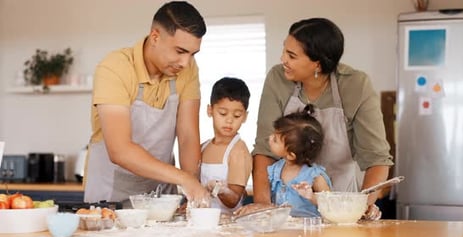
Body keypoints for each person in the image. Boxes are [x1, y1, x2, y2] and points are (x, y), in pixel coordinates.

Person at [243, 18, 393, 220]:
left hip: (341, 212)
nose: (282, 59)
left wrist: (360, 207)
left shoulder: (355, 86)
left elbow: (377, 158)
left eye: (292, 55)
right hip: (284, 213)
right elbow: (264, 148)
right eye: (284, 51)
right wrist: (263, 206)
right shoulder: (278, 79)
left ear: (317, 63)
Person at [84, 1, 209, 205]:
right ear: (155, 37)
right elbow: (120, 150)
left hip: (162, 197)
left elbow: (187, 136)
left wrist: (192, 187)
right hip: (111, 195)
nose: (185, 63)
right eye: (179, 51)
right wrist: (183, 178)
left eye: (192, 54)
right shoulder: (115, 68)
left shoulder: (188, 70)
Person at [268, 104, 333, 217]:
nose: (269, 137)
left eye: (275, 139)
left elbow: (331, 204)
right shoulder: (275, 170)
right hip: (283, 230)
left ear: (291, 155)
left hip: (310, 232)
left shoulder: (315, 176)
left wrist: (312, 197)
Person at [200, 77, 252, 214]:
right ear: (210, 110)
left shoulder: (238, 151)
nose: (229, 120)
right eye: (222, 113)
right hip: (203, 221)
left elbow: (233, 200)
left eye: (237, 116)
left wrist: (218, 189)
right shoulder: (203, 147)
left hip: (228, 226)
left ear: (245, 117)